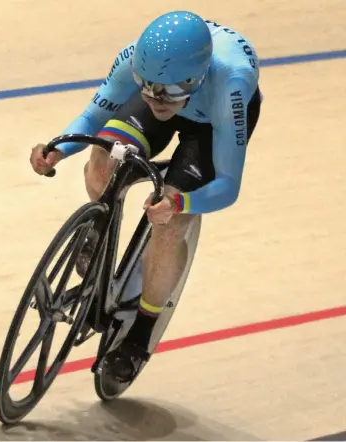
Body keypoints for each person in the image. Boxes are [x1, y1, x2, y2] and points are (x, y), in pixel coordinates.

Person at [30, 10, 262, 383]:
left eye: (167, 90)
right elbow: (91, 118)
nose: (155, 99)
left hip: (210, 125)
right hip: (186, 93)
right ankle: (99, 233)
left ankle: (139, 336)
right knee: (104, 154)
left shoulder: (230, 85)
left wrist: (179, 203)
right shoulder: (138, 62)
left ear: (195, 76)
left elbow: (228, 188)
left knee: (170, 224)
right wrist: (58, 150)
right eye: (147, 85)